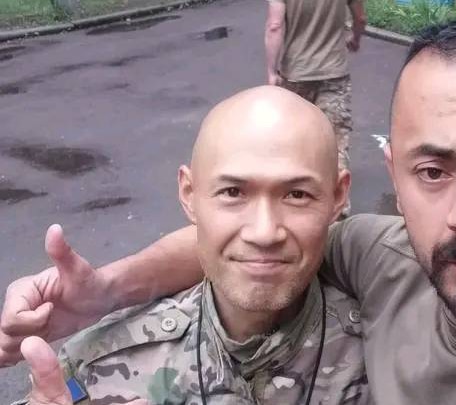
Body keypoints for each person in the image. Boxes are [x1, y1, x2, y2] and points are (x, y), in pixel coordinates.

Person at [4, 14, 456, 404]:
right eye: (434, 170)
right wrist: (106, 291)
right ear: (394, 177)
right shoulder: (391, 259)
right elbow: (260, 245)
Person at [8, 86, 371, 405]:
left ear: (338, 197)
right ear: (189, 194)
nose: (264, 232)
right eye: (233, 192)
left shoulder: (384, 353)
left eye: (297, 194)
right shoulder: (99, 362)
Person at [265, 0, 367, 175]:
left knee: (295, 137)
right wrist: (355, 39)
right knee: (336, 142)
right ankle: (338, 198)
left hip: (296, 74)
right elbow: (360, 18)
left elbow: (275, 26)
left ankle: (299, 192)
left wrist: (272, 72)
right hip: (333, 73)